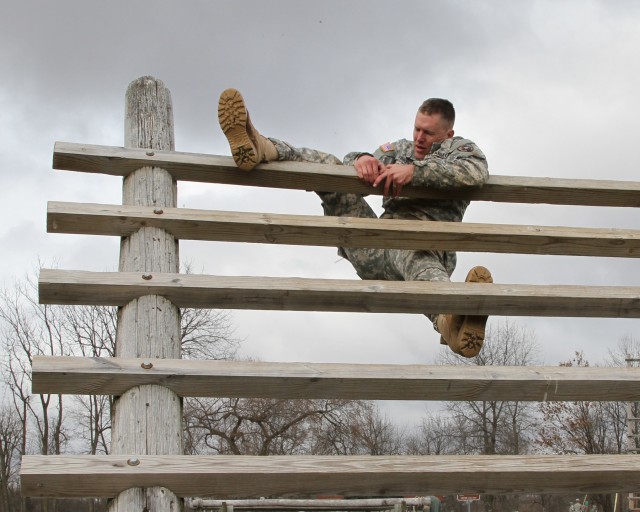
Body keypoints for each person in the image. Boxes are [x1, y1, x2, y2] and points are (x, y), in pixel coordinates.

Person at [217, 88, 492, 357]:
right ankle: (262, 147)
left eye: (428, 133)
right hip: (373, 247)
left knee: (416, 257)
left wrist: (415, 172)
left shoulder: (461, 150)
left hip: (421, 248)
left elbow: (474, 173)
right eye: (417, 129)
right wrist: (362, 159)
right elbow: (355, 161)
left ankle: (453, 325)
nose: (419, 138)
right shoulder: (400, 149)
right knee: (330, 166)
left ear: (448, 134)